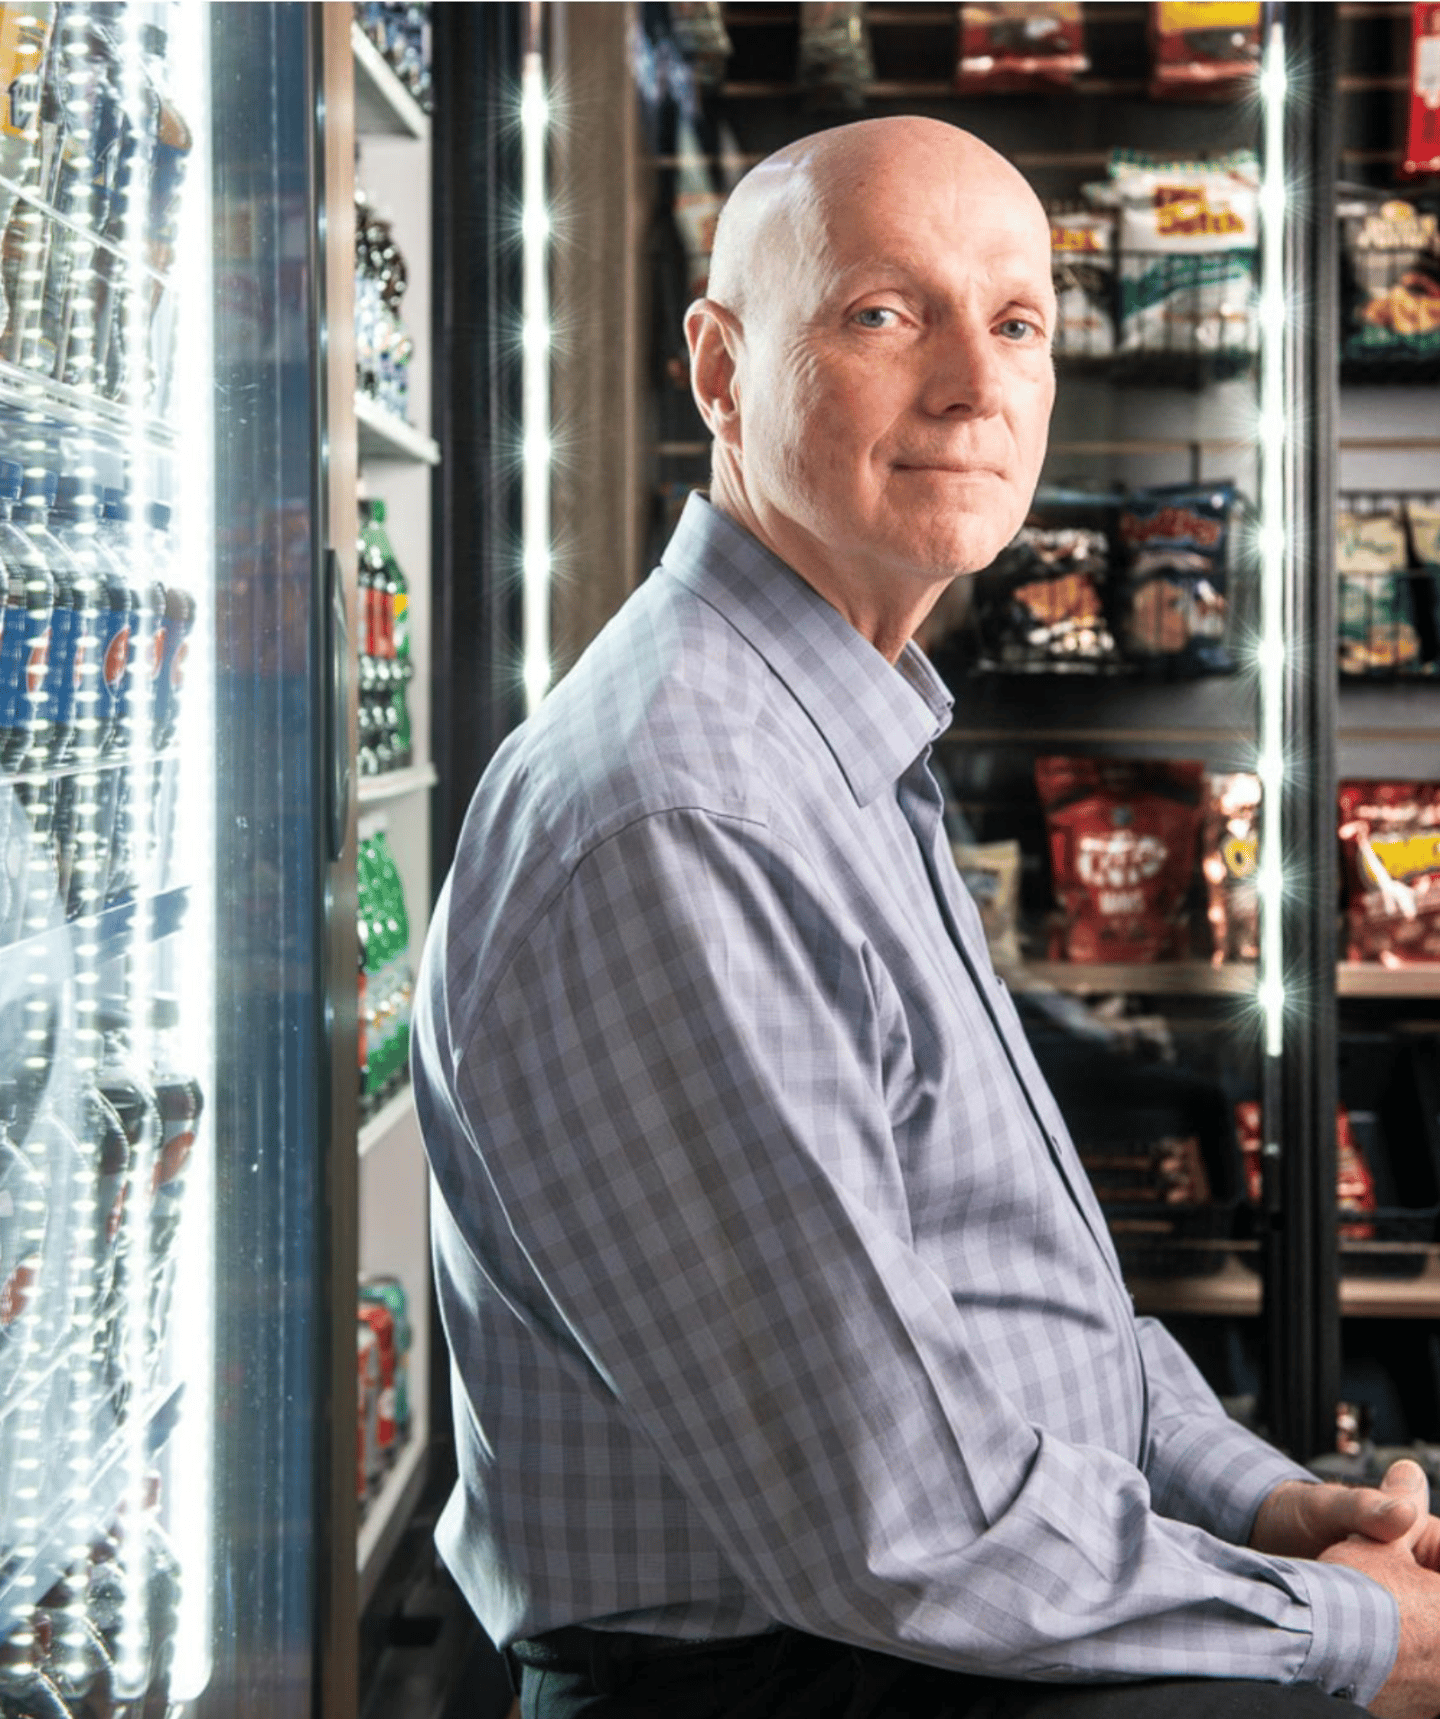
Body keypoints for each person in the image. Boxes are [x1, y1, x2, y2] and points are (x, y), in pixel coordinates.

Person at [412, 117, 1440, 1719]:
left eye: (1016, 321)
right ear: (718, 369)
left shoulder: (829, 727)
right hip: (796, 1679)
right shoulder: (692, 812)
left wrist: (1249, 1494)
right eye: (884, 313)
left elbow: (1000, 1294)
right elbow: (896, 1523)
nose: (976, 382)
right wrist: (1347, 1631)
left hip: (913, 1633)